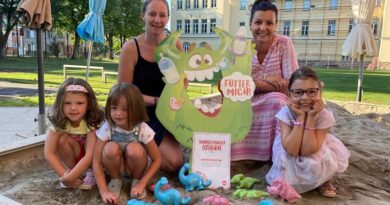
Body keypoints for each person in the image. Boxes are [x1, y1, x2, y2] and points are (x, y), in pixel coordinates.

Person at [118, 0, 183, 172]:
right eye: (152, 14)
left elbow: (182, 83)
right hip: (139, 115)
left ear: (167, 18)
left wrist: (175, 98)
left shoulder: (175, 45)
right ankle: (133, 155)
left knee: (176, 162)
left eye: (162, 15)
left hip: (166, 116)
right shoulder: (131, 48)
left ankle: (138, 156)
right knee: (169, 161)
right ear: (143, 16)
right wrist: (156, 101)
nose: (157, 20)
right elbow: (123, 93)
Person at [265, 67, 350, 197]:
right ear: (289, 94)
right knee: (286, 170)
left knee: (316, 163)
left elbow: (308, 150)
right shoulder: (285, 113)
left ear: (319, 93)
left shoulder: (324, 116)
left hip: (314, 146)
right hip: (290, 146)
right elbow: (292, 150)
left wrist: (310, 117)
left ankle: (324, 180)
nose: (305, 97)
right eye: (298, 92)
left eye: (311, 92)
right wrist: (300, 117)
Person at [231, 0, 299, 161]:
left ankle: (277, 156)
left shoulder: (284, 44)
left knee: (278, 102)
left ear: (275, 25)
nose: (263, 28)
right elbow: (234, 84)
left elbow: (292, 84)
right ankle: (245, 155)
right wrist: (265, 80)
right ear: (250, 24)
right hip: (246, 101)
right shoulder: (241, 49)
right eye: (258, 22)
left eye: (269, 23)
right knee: (231, 107)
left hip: (275, 101)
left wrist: (252, 83)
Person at [94, 83, 161, 204]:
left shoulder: (142, 128)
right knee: (110, 148)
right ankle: (115, 181)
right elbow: (96, 160)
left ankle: (136, 180)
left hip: (135, 169)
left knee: (134, 148)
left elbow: (157, 159)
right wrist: (103, 191)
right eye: (114, 108)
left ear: (136, 109)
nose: (118, 113)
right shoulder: (107, 127)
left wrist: (142, 183)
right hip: (116, 168)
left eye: (125, 109)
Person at [44, 77, 104, 189]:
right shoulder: (59, 121)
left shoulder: (91, 120)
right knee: (61, 139)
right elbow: (49, 152)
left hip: (92, 159)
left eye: (80, 103)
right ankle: (74, 172)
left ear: (89, 104)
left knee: (91, 142)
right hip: (75, 158)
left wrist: (68, 179)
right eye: (67, 103)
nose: (73, 108)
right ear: (60, 104)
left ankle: (92, 173)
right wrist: (64, 175)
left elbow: (90, 154)